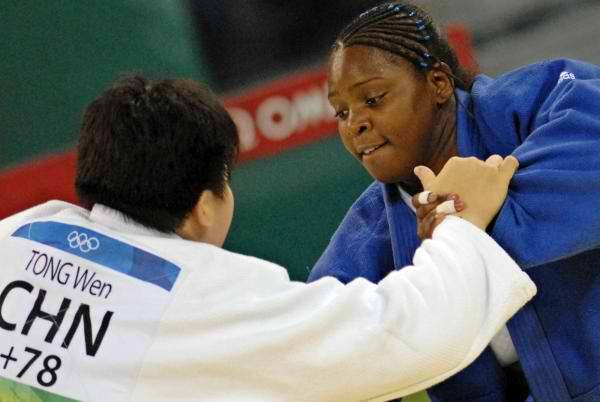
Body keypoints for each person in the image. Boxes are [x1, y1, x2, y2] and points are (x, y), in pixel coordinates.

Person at [0, 75, 534, 402]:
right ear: (205, 204)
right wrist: (458, 221)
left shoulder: (18, 238)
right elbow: (405, 334)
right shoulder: (200, 302)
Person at [309, 1, 600, 401]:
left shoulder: (541, 102)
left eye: (373, 99)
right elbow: (320, 346)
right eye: (341, 112)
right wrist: (454, 247)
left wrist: (466, 228)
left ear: (438, 84)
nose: (355, 123)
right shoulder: (372, 230)